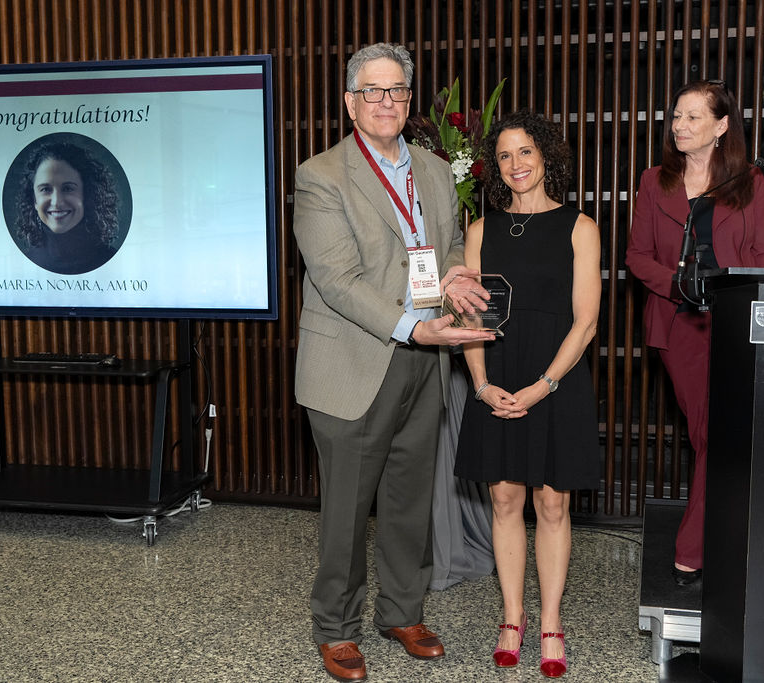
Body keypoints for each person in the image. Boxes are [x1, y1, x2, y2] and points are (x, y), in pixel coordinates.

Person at [292, 42, 495, 683]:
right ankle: (335, 628)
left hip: (424, 361)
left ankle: (402, 611)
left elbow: (450, 242)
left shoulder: (434, 171)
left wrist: (459, 271)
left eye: (397, 91)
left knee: (411, 501)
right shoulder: (320, 175)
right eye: (372, 91)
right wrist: (416, 326)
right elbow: (337, 279)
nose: (386, 102)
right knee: (348, 511)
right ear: (350, 103)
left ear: (409, 102)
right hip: (355, 363)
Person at [454, 110, 602, 679]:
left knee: (552, 503)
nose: (517, 165)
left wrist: (541, 387)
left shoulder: (579, 226)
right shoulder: (480, 230)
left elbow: (586, 322)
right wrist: (483, 384)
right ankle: (512, 617)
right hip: (497, 373)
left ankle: (552, 623)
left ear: (546, 156)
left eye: (527, 152)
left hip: (556, 377)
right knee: (506, 500)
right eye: (507, 155)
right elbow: (468, 317)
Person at [625, 80, 764, 586]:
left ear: (721, 126)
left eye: (693, 117)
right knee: (711, 430)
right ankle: (701, 545)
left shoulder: (748, 183)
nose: (679, 126)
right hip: (682, 323)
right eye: (676, 116)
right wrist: (677, 284)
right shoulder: (655, 181)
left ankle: (708, 540)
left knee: (723, 433)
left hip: (739, 322)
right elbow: (636, 257)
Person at [11, 139, 121, 274]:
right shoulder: (22, 266)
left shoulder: (113, 262)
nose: (56, 202)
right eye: (45, 189)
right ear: (34, 200)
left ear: (86, 195)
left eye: (68, 188)